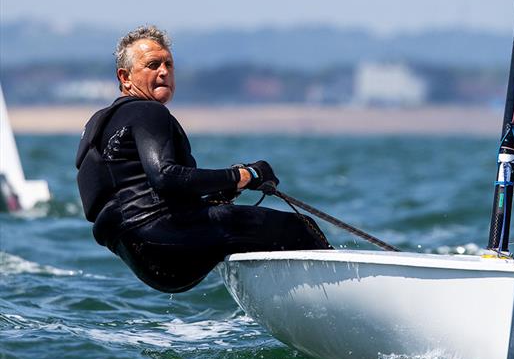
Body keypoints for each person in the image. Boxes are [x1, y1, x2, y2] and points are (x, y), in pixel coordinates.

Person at [76, 25, 330, 293]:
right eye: (152, 65)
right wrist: (244, 176)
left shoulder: (98, 124)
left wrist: (226, 189)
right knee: (301, 228)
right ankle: (336, 306)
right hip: (163, 236)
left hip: (140, 253)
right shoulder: (148, 111)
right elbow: (165, 176)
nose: (164, 72)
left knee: (245, 233)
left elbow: (138, 192)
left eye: (168, 64)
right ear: (125, 77)